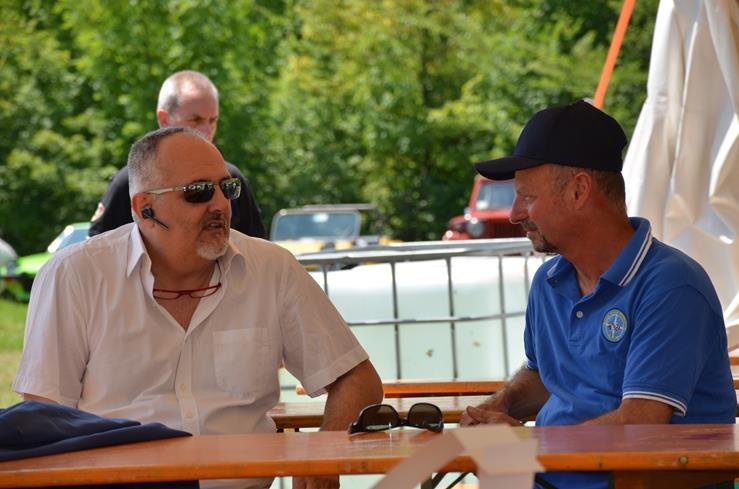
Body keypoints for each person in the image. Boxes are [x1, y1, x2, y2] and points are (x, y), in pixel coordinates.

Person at [15, 127, 383, 489]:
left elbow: (357, 379)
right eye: (199, 192)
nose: (221, 205)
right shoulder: (75, 274)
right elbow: (47, 417)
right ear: (145, 208)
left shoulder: (272, 268)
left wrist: (325, 450)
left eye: (228, 188)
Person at [461, 100, 735, 489]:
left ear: (579, 191)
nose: (514, 213)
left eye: (527, 196)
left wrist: (524, 444)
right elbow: (545, 377)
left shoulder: (672, 285)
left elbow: (641, 423)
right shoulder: (550, 281)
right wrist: (498, 407)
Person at [89, 70, 266, 238]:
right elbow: (98, 251)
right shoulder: (129, 183)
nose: (207, 130)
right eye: (195, 120)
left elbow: (257, 252)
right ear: (164, 119)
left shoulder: (230, 181)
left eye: (213, 120)